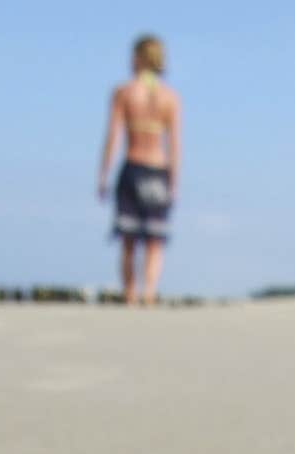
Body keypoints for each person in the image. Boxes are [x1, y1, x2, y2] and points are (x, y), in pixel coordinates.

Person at [97, 35, 182, 306]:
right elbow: (175, 146)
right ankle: (149, 292)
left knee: (129, 239)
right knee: (155, 241)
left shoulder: (124, 92)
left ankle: (131, 295)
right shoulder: (170, 97)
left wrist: (103, 174)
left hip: (133, 166)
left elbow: (113, 136)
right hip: (158, 170)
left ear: (138, 58)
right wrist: (174, 181)